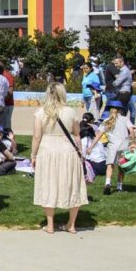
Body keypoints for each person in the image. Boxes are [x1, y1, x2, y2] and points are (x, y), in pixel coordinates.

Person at [31, 82, 87, 234]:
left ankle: (50, 224)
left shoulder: (41, 112)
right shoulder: (71, 112)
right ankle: (71, 224)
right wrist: (81, 153)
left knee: (48, 185)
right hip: (67, 150)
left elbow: (36, 136)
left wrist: (33, 155)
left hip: (47, 150)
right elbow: (77, 135)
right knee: (73, 186)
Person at [98, 100, 135, 195]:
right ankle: (119, 186)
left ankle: (107, 183)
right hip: (124, 145)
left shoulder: (106, 121)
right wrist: (133, 142)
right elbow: (131, 130)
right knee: (121, 166)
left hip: (112, 146)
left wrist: (91, 147)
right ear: (120, 110)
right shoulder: (125, 119)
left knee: (110, 165)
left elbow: (98, 135)